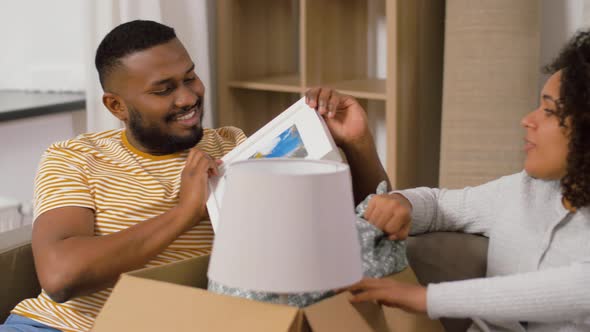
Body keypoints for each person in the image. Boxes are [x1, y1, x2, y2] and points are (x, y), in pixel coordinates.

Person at [0, 20, 387, 331]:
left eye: (189, 77)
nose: (187, 97)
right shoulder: (76, 157)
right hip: (57, 327)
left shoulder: (235, 147)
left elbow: (359, 230)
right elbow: (60, 276)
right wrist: (185, 213)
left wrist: (357, 144)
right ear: (117, 105)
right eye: (163, 90)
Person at [349, 30, 590, 331]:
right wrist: (403, 203)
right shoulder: (523, 190)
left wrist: (425, 298)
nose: (528, 120)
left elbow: (573, 289)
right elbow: (439, 205)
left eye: (549, 110)